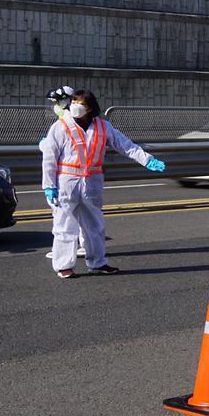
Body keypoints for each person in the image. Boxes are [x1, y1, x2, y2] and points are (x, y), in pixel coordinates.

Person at [41, 89, 167, 278]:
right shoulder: (60, 126)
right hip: (67, 181)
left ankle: (98, 263)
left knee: (94, 226)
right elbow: (49, 158)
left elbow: (126, 146)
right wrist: (49, 185)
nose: (75, 106)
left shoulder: (103, 127)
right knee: (65, 226)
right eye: (73, 102)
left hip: (92, 182)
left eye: (80, 103)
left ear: (90, 108)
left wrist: (148, 160)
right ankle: (64, 266)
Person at [42, 86, 87, 260]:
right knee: (68, 216)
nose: (55, 106)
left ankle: (72, 250)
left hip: (71, 176)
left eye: (57, 102)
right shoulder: (63, 122)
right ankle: (71, 249)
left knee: (69, 217)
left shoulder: (75, 122)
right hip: (67, 176)